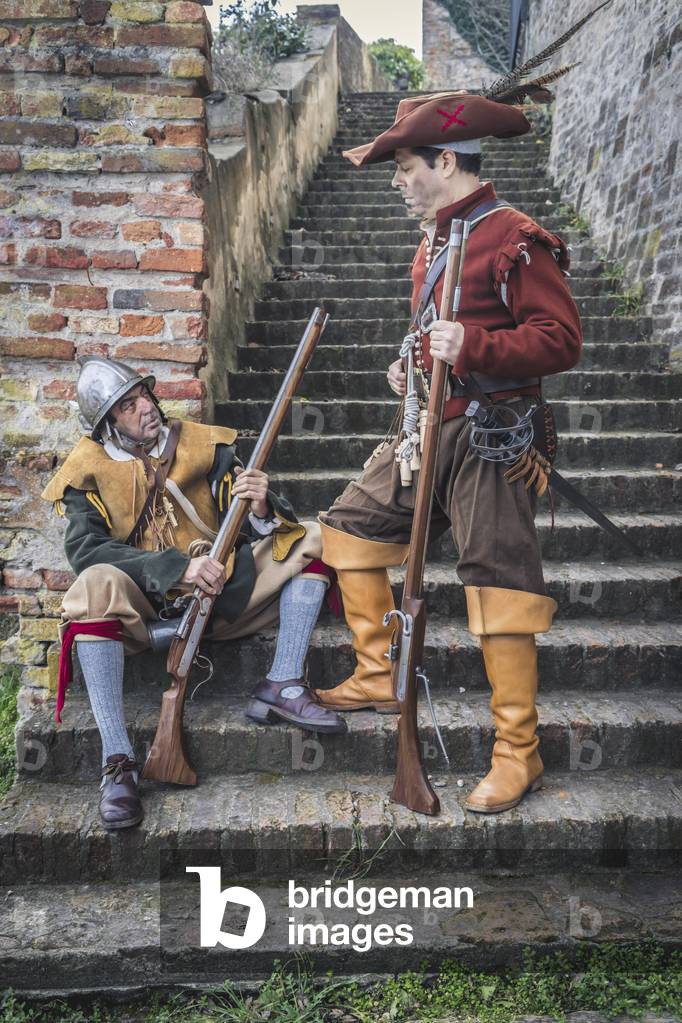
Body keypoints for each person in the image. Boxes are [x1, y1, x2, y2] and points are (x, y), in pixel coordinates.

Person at [314, 91, 583, 813]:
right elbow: (435, 332)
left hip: (494, 431)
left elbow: (561, 338)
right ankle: (377, 669)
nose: (398, 181)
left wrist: (476, 346)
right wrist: (413, 364)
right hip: (428, 424)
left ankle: (518, 751)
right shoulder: (432, 241)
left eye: (404, 167)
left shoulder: (514, 235)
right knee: (348, 527)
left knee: (499, 580)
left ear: (445, 159)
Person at [42, 356, 345, 830]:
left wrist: (262, 504)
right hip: (144, 610)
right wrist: (176, 568)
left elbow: (248, 518)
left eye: (143, 394)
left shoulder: (207, 444)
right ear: (109, 424)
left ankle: (283, 680)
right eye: (127, 404)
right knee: (91, 585)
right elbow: (86, 552)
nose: (144, 406)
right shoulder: (86, 472)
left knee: (310, 537)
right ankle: (118, 761)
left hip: (226, 595)